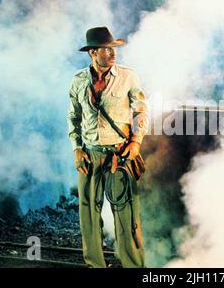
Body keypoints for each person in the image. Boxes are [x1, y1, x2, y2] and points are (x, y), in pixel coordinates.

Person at [68, 26, 148, 268]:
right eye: (106, 50)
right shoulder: (79, 80)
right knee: (89, 214)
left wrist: (136, 142)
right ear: (92, 52)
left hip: (120, 155)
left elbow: (141, 111)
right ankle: (95, 264)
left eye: (113, 49)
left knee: (126, 213)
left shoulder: (128, 76)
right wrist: (77, 148)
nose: (113, 54)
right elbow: (73, 116)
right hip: (91, 154)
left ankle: (133, 265)